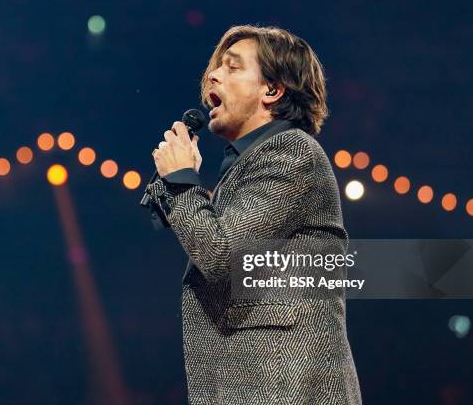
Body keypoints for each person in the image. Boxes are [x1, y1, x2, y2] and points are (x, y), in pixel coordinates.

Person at [146, 25, 362, 404]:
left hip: (285, 389)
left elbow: (220, 254)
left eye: (232, 67)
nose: (213, 75)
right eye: (217, 68)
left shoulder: (292, 153)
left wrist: (182, 182)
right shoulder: (251, 163)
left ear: (272, 90)